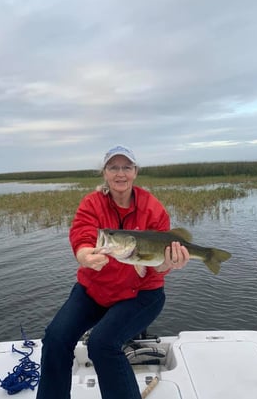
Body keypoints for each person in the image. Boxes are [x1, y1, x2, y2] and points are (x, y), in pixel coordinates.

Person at [36, 145, 190, 399]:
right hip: (95, 291)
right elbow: (83, 234)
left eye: (126, 167)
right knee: (55, 338)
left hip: (141, 295)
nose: (120, 174)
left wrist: (169, 263)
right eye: (113, 167)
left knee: (102, 344)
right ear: (104, 173)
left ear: (135, 172)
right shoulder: (92, 203)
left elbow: (157, 267)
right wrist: (84, 254)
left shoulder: (152, 208)